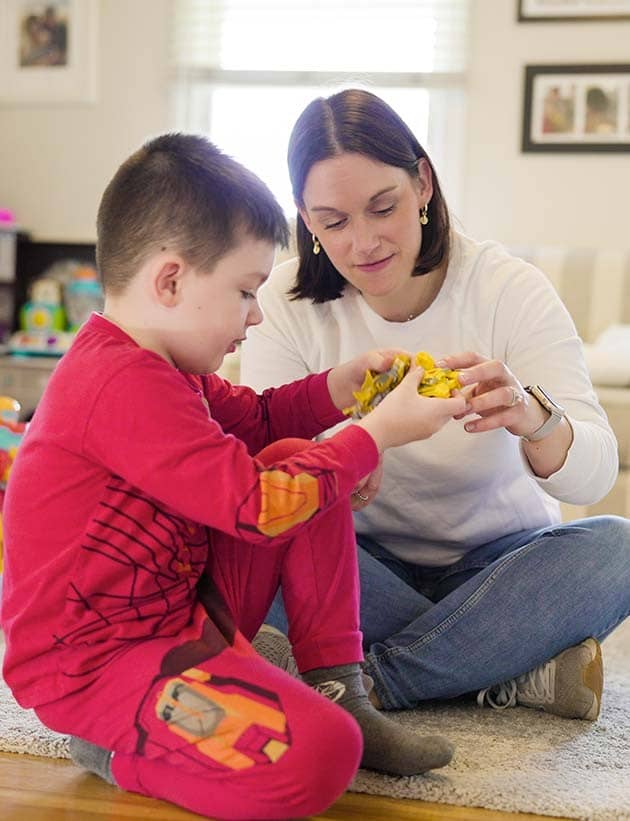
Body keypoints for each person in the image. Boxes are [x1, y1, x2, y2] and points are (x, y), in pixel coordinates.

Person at [0, 133, 467, 821]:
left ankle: (341, 686)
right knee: (322, 757)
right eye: (245, 291)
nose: (255, 314)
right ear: (171, 281)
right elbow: (255, 508)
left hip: (176, 614)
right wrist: (375, 435)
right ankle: (116, 752)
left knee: (296, 463)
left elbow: (258, 421)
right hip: (93, 665)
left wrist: (338, 390)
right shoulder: (118, 382)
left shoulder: (169, 365)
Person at [240, 88, 630, 719]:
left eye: (382, 207)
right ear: (306, 221)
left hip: (497, 569)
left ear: (422, 183)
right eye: (334, 221)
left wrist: (534, 418)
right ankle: (503, 668)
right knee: (247, 539)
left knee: (619, 548)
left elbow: (597, 470)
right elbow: (269, 470)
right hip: (356, 569)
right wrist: (350, 454)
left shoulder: (508, 289)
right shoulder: (283, 301)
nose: (364, 242)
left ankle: (369, 685)